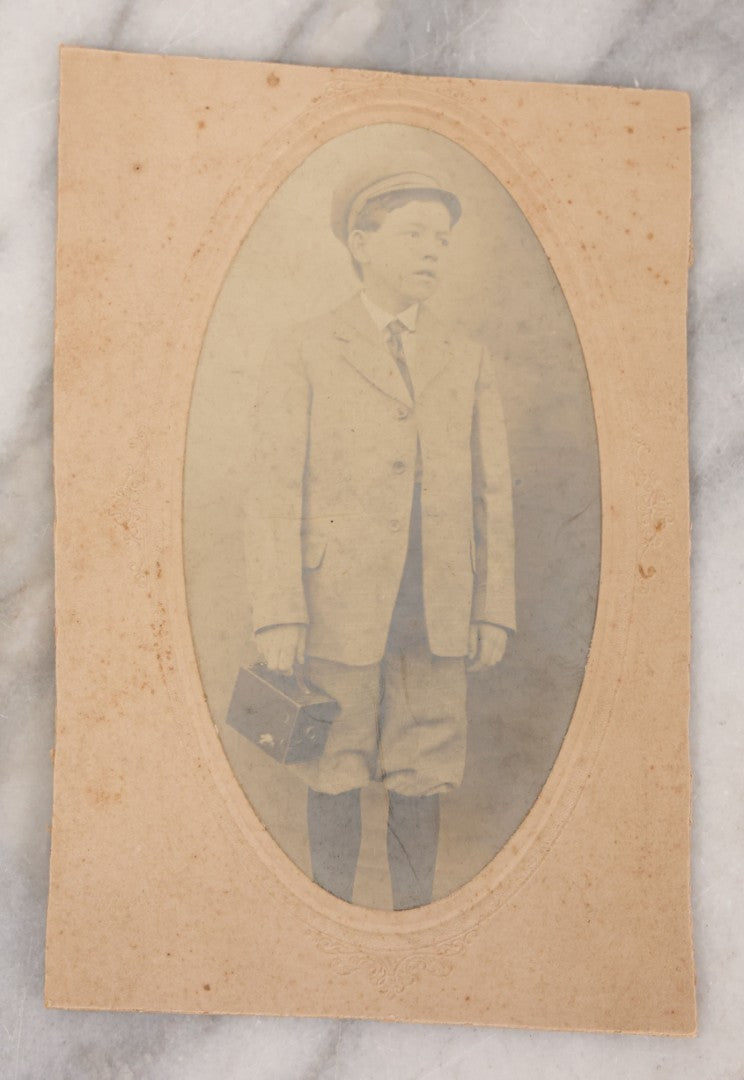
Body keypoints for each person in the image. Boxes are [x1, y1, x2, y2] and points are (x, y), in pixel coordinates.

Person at [248, 168, 516, 909]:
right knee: (332, 763)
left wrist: (492, 606)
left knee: (424, 768)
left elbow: (491, 493)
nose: (434, 251)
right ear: (361, 244)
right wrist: (279, 611)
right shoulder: (304, 348)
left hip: (437, 605)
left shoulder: (466, 357)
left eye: (443, 239)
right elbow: (273, 488)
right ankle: (332, 924)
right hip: (335, 606)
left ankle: (412, 929)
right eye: (414, 235)